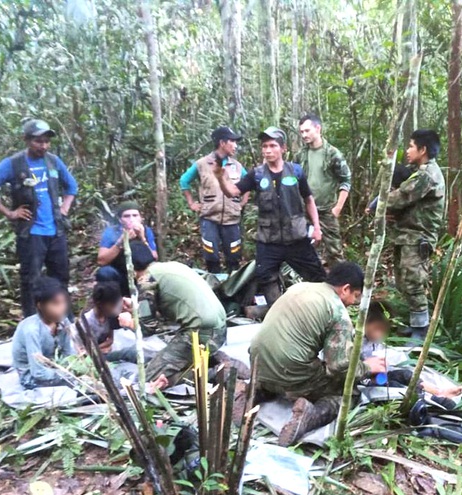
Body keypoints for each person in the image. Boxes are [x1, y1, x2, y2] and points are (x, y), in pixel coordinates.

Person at [249, 262, 386, 446]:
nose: (353, 302)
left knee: (294, 364)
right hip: (289, 371)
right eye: (355, 296)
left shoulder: (300, 287)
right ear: (345, 289)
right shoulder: (337, 311)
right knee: (348, 394)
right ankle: (310, 415)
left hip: (257, 362)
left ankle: (256, 391)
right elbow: (338, 367)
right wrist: (367, 366)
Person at [0, 119, 78, 317]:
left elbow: (71, 186)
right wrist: (10, 213)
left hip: (56, 231)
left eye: (47, 141)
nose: (44, 146)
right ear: (26, 140)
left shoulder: (53, 162)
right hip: (31, 234)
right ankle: (33, 322)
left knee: (61, 278)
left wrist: (64, 208)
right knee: (31, 280)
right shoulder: (13, 164)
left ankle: (66, 321)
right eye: (38, 141)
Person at [217, 126, 326, 305]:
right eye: (264, 146)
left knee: (317, 277)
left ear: (283, 149)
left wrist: (317, 228)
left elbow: (308, 200)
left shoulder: (296, 171)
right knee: (265, 277)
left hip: (296, 238)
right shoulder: (257, 174)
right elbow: (233, 192)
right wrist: (221, 178)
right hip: (269, 240)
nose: (268, 150)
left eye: (273, 146)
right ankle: (278, 311)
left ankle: (323, 310)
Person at [386, 129, 445, 340]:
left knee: (413, 282)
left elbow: (400, 197)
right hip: (407, 235)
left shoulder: (426, 175)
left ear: (423, 149)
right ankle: (415, 323)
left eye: (411, 146)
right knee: (403, 281)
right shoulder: (418, 171)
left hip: (418, 237)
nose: (408, 150)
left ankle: (421, 330)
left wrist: (380, 204)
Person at [138, 262, 228, 387]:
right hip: (220, 329)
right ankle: (212, 363)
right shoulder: (171, 267)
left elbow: (147, 327)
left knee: (147, 380)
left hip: (201, 333)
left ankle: (214, 374)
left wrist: (131, 320)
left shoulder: (146, 279)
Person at [179, 127, 249, 273]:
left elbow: (248, 183)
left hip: (232, 219)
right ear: (222, 143)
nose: (235, 145)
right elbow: (184, 181)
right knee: (211, 255)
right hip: (209, 217)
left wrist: (242, 203)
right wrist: (192, 203)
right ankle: (214, 286)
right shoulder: (202, 164)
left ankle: (233, 288)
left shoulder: (237, 166)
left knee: (234, 256)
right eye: (232, 141)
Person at [296, 114, 352, 267]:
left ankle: (340, 286)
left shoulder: (333, 154)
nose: (304, 135)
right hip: (305, 211)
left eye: (307, 131)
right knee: (304, 250)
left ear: (318, 128)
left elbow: (346, 180)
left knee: (334, 252)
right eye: (301, 132)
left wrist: (337, 208)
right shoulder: (300, 155)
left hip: (327, 211)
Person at [11, 276, 77, 390]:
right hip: (32, 376)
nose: (62, 307)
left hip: (55, 367)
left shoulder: (63, 321)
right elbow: (38, 372)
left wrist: (74, 367)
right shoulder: (32, 330)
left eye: (63, 302)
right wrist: (66, 375)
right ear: (40, 305)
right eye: (56, 304)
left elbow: (69, 354)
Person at [96, 201, 158, 296]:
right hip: (121, 274)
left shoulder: (146, 231)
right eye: (127, 216)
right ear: (120, 220)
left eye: (135, 215)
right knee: (105, 273)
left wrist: (142, 238)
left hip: (143, 275)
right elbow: (101, 261)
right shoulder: (112, 232)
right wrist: (121, 242)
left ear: (140, 218)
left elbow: (154, 257)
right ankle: (114, 302)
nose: (131, 219)